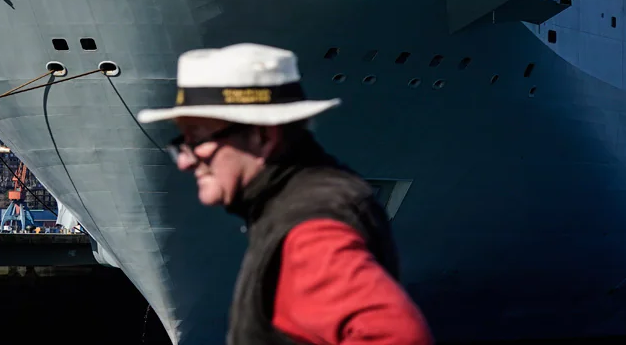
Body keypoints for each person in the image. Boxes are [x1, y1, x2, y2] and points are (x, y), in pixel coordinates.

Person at [137, 43, 431, 345]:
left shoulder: (311, 228)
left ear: (262, 136)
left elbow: (396, 335)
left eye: (198, 139)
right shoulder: (308, 199)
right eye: (182, 142)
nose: (185, 160)